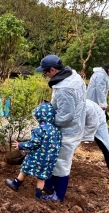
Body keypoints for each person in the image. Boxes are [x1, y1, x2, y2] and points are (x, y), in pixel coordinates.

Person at [35, 54, 86, 201]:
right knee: (55, 158)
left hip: (68, 132)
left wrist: (47, 122)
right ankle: (49, 186)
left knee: (61, 162)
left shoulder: (65, 89)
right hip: (73, 127)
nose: (45, 75)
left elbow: (65, 117)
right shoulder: (72, 77)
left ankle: (58, 195)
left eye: (45, 72)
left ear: (52, 70)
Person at [5, 102, 62, 200]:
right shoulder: (57, 131)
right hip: (49, 159)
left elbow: (34, 144)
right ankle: (38, 195)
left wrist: (21, 145)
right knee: (42, 177)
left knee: (25, 169)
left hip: (36, 157)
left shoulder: (39, 130)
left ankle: (15, 184)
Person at [83, 99, 109, 181]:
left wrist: (82, 136)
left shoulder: (87, 106)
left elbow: (93, 125)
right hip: (87, 121)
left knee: (105, 145)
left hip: (99, 122)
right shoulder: (69, 104)